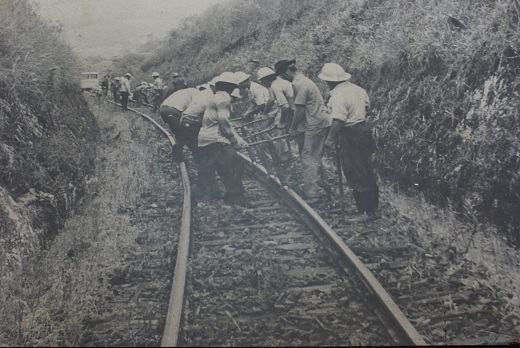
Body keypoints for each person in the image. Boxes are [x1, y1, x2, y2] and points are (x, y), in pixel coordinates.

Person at [320, 63, 379, 222]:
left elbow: (339, 119)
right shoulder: (358, 89)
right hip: (363, 130)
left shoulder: (338, 95)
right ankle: (373, 208)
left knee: (354, 171)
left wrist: (330, 139)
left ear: (329, 81)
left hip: (350, 133)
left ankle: (366, 212)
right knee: (366, 169)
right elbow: (367, 106)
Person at [275, 59, 332, 199]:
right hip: (317, 121)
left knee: (308, 157)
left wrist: (293, 128)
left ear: (288, 71)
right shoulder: (305, 81)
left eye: (284, 75)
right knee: (314, 155)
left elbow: (299, 109)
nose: (285, 79)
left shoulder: (299, 84)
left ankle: (312, 192)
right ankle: (323, 185)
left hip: (315, 123)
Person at [197, 72, 249, 206]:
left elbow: (226, 125)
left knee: (223, 167)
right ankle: (236, 198)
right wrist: (235, 141)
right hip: (216, 139)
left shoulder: (216, 97)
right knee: (236, 163)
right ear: (230, 87)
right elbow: (224, 124)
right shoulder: (224, 100)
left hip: (205, 139)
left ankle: (228, 197)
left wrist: (238, 138)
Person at [159, 86, 199, 161]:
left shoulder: (188, 91)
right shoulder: (197, 93)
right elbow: (191, 112)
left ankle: (179, 155)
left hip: (164, 108)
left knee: (181, 132)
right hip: (172, 110)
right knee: (182, 133)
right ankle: (181, 155)